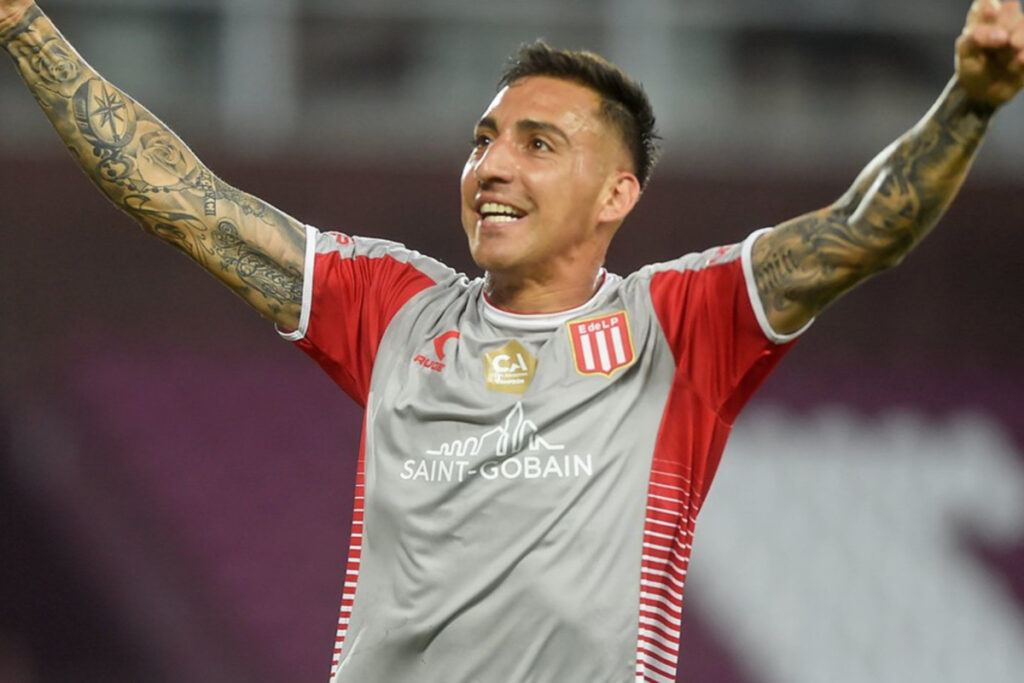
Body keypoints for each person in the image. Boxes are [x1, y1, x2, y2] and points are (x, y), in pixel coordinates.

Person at [2, 1, 1022, 681]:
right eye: (483, 137)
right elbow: (191, 204)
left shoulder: (676, 327)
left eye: (538, 144)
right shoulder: (396, 309)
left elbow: (860, 228)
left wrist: (969, 102)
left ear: (617, 193)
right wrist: (27, 27)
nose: (491, 163)